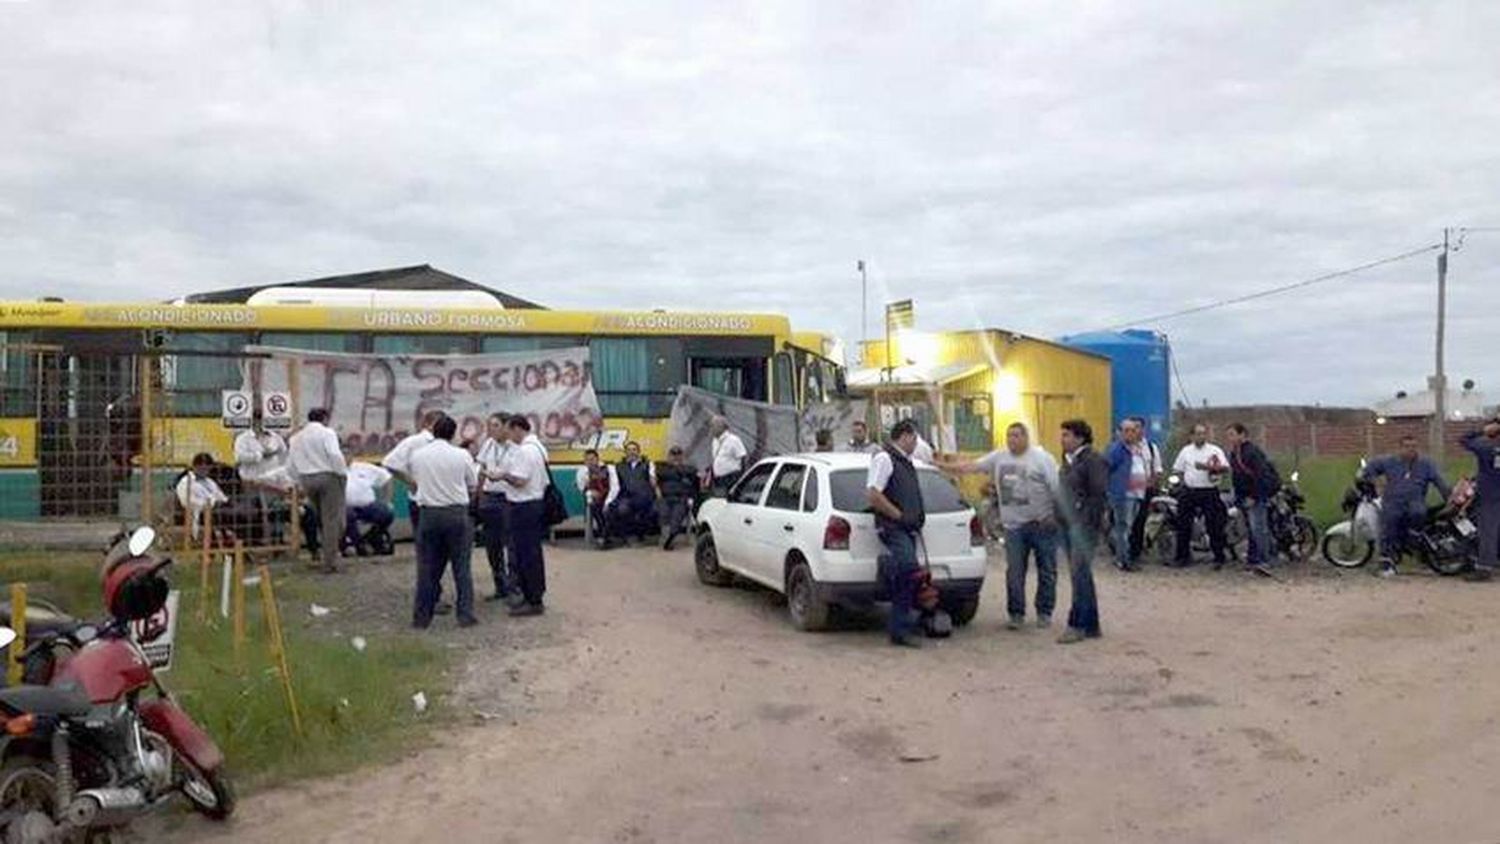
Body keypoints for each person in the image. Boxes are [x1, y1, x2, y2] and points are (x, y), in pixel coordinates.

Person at [938, 422, 1060, 631]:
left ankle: (1044, 612)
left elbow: (1057, 489)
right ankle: (1016, 613)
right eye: (1009, 435)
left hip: (1041, 524)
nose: (1012, 440)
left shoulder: (1042, 459)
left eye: (1016, 436)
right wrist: (941, 465)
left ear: (1026, 437)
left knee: (1047, 570)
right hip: (1013, 527)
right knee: (1014, 572)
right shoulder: (999, 457)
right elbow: (970, 467)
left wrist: (1054, 516)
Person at [408, 415, 479, 629]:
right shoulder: (461, 455)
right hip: (456, 513)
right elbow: (472, 484)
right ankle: (465, 614)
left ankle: (421, 617)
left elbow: (416, 479)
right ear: (453, 433)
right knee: (461, 567)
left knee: (427, 568)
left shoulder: (418, 456)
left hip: (429, 513)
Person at [867, 419, 926, 648]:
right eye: (914, 438)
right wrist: (898, 516)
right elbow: (873, 495)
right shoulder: (885, 458)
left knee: (909, 573)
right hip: (894, 527)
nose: (915, 443)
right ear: (905, 436)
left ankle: (903, 625)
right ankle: (899, 629)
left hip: (908, 528)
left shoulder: (906, 461)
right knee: (908, 569)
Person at [1362, 434, 1452, 578]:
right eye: (1407, 446)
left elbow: (1439, 481)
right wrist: (1376, 482)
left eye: (1414, 446)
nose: (1411, 449)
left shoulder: (1426, 464)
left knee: (1419, 514)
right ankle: (1387, 562)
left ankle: (1415, 547)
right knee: (1389, 524)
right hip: (1393, 501)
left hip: (1415, 501)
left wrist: (1449, 496)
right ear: (1400, 448)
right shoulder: (1388, 461)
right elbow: (1368, 469)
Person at [1058, 419, 1107, 644]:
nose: (1063, 439)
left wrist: (1085, 522)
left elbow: (1097, 495)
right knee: (1082, 575)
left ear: (1080, 438)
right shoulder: (1069, 461)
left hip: (1083, 526)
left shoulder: (1092, 460)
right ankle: (1091, 624)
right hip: (1069, 523)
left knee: (1079, 575)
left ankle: (1077, 623)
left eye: (1067, 435)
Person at [499, 415, 550, 617]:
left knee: (525, 555)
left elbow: (520, 481)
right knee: (532, 553)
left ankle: (533, 599)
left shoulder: (524, 451)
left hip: (523, 506)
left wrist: (502, 475)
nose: (508, 436)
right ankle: (534, 595)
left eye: (509, 430)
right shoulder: (538, 448)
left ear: (518, 429)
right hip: (535, 503)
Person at [287, 408, 348, 573]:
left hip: (307, 478)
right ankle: (330, 561)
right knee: (332, 520)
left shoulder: (296, 438)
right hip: (328, 476)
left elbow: (291, 463)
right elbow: (334, 454)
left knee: (321, 517)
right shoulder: (327, 433)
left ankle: (326, 553)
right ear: (325, 418)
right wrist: (342, 473)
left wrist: (297, 481)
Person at [1170, 423, 1231, 568]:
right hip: (1190, 491)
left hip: (1209, 491)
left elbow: (1225, 468)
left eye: (1203, 433)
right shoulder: (1186, 451)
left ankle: (1218, 557)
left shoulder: (1214, 450)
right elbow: (1178, 469)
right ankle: (1182, 557)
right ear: (1191, 436)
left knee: (1214, 525)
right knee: (1183, 525)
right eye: (1198, 433)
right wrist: (1179, 484)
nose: (1201, 436)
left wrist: (1209, 468)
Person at [1225, 422, 1280, 575]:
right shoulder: (1236, 453)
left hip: (1255, 497)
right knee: (1251, 529)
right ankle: (1253, 559)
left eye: (1232, 434)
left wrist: (1254, 496)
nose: (1230, 438)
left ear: (1242, 435)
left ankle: (1265, 561)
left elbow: (1260, 476)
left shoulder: (1252, 452)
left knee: (1259, 529)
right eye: (1228, 435)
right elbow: (1237, 477)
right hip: (1244, 496)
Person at [476, 413, 518, 602]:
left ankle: (514, 586)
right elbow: (481, 470)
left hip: (508, 497)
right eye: (490, 425)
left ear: (505, 426)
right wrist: (478, 495)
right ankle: (499, 585)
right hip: (489, 498)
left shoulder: (516, 448)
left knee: (511, 543)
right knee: (492, 545)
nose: (491, 429)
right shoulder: (488, 445)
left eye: (495, 425)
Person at [382, 410, 445, 537]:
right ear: (428, 424)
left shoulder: (444, 442)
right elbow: (389, 463)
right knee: (425, 542)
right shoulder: (415, 442)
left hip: (441, 499)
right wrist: (410, 480)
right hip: (421, 500)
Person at [1104, 419, 1151, 572]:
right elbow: (1106, 468)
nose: (1131, 433)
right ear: (1119, 432)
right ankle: (1123, 560)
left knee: (1127, 527)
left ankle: (1122, 555)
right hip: (1123, 494)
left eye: (1133, 430)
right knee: (1123, 527)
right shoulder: (1116, 450)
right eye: (1126, 430)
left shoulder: (1137, 448)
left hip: (1138, 493)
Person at [1462, 417, 1500, 582]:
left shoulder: (1486, 447)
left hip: (1489, 494)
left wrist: (1482, 430)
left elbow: (1464, 439)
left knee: (1488, 531)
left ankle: (1484, 568)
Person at [1125, 417, 1165, 565]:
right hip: (1127, 490)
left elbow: (1158, 469)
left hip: (1146, 489)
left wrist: (1151, 483)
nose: (1135, 431)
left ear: (1143, 429)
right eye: (1132, 428)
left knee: (1140, 521)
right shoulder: (1123, 447)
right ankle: (1124, 552)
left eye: (1138, 427)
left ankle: (1136, 552)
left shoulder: (1151, 447)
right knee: (1127, 521)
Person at [343, 456, 395, 557]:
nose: (345, 457)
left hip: (367, 505)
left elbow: (387, 478)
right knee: (348, 515)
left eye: (347, 453)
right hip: (344, 508)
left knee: (386, 513)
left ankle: (371, 538)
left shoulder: (364, 467)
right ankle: (358, 545)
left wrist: (388, 501)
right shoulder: (333, 471)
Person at [611, 441, 658, 544]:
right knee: (622, 509)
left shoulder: (648, 464)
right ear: (625, 452)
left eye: (634, 450)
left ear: (639, 451)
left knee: (650, 509)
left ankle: (641, 534)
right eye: (629, 450)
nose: (632, 452)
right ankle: (628, 536)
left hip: (644, 496)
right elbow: (614, 484)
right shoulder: (618, 466)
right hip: (626, 497)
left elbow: (653, 482)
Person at [176, 452, 229, 541]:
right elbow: (187, 502)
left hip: (216, 512)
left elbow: (221, 496)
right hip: (197, 514)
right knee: (218, 515)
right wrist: (210, 503)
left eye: (207, 469)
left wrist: (220, 502)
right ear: (195, 467)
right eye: (202, 468)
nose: (205, 472)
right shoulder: (185, 482)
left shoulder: (210, 482)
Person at [656, 445, 700, 550]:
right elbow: (656, 481)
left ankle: (671, 537)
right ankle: (666, 536)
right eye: (673, 455)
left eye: (678, 455)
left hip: (681, 498)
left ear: (682, 456)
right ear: (669, 456)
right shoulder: (662, 469)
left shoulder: (690, 469)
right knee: (663, 513)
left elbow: (696, 486)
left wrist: (692, 498)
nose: (675, 457)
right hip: (665, 498)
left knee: (677, 515)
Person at [233, 418, 293, 493]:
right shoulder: (243, 438)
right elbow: (239, 457)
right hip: (253, 481)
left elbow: (284, 455)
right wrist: (259, 455)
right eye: (257, 419)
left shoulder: (275, 437)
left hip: (274, 482)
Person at [574, 449, 618, 549]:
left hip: (611, 496)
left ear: (597, 459)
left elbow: (615, 487)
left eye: (592, 459)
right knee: (595, 507)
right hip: (593, 499)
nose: (590, 462)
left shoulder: (609, 468)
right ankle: (604, 537)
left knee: (610, 509)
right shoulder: (582, 471)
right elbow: (581, 488)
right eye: (587, 460)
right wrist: (589, 492)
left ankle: (603, 537)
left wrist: (608, 501)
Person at [709, 416, 748, 496]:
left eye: (713, 426)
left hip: (731, 478)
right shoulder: (715, 441)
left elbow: (742, 457)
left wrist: (741, 477)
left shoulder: (733, 440)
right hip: (718, 479)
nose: (711, 429)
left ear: (721, 427)